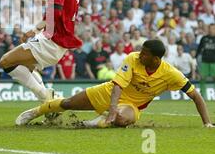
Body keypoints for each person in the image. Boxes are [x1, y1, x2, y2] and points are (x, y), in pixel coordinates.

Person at [16, 40, 214, 128]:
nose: (140, 53)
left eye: (145, 53)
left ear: (156, 59)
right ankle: (36, 112)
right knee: (67, 104)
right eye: (141, 50)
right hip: (109, 92)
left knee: (122, 119)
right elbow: (118, 85)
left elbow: (195, 96)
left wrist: (206, 123)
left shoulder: (172, 74)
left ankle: (95, 123)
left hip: (132, 105)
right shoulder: (133, 58)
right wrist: (111, 108)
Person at [0, 0, 82, 102]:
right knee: (26, 67)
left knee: (6, 62)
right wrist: (47, 1)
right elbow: (65, 7)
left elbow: (55, 13)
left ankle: (47, 98)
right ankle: (48, 101)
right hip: (62, 40)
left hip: (52, 39)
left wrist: (34, 30)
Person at [196, 24, 215, 99]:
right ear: (208, 29)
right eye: (210, 28)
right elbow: (199, 49)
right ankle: (201, 95)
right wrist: (196, 57)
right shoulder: (204, 38)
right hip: (205, 61)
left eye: (213, 28)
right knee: (202, 78)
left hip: (214, 62)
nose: (211, 30)